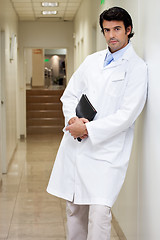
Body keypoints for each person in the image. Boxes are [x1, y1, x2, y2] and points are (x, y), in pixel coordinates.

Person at [47, 6, 148, 240]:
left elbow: (127, 114)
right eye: (107, 30)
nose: (111, 35)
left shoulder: (137, 67)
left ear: (128, 30)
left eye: (117, 29)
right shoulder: (91, 61)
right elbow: (70, 95)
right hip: (77, 147)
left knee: (100, 214)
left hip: (106, 153)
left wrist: (88, 129)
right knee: (75, 210)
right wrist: (72, 119)